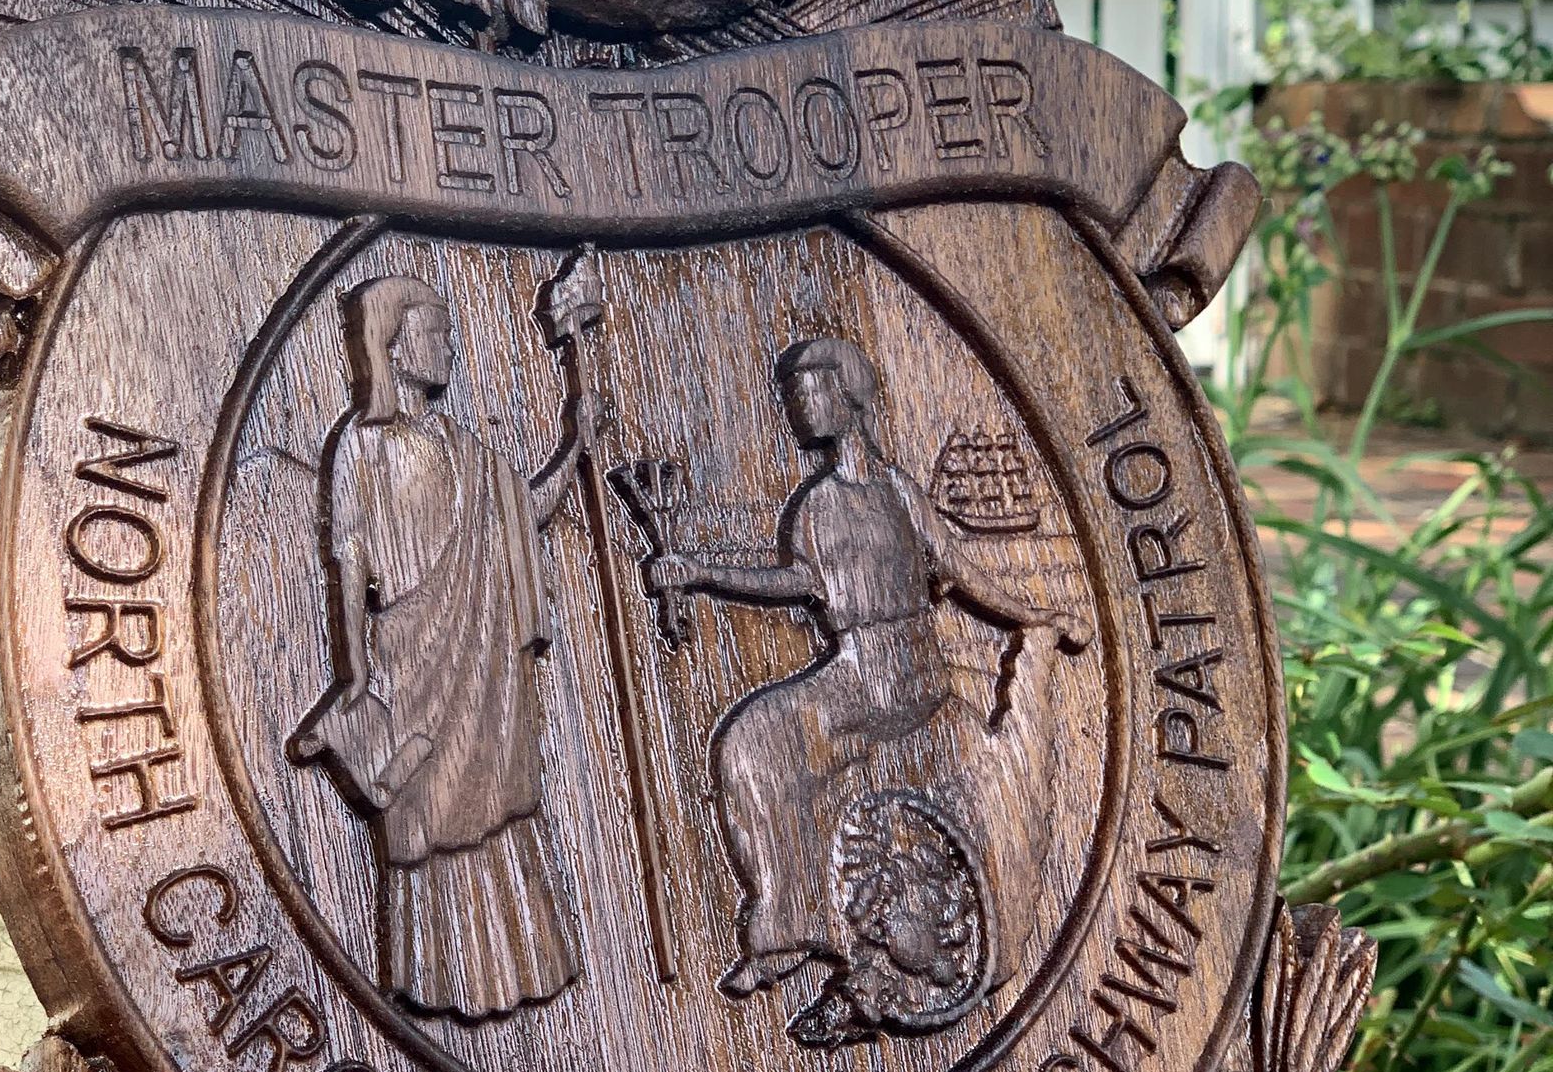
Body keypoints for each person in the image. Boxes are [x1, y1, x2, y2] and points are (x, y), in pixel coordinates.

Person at [645, 336, 1087, 1011]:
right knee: (751, 744)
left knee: (764, 744)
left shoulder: (898, 491)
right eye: (793, 395)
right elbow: (799, 581)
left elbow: (960, 570)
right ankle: (789, 928)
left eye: (811, 390)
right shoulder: (819, 504)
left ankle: (790, 932)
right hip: (853, 669)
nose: (798, 405)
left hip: (902, 676)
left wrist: (1032, 613)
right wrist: (702, 573)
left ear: (847, 396)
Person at [291, 275, 589, 1019]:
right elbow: (350, 560)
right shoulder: (360, 447)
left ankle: (521, 971)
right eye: (436, 333)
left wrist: (580, 438)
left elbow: (528, 514)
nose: (449, 346)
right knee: (426, 821)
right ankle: (431, 980)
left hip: (479, 670)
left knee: (490, 811)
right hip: (412, 657)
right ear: (393, 346)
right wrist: (358, 667)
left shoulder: (472, 453)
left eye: (450, 332)